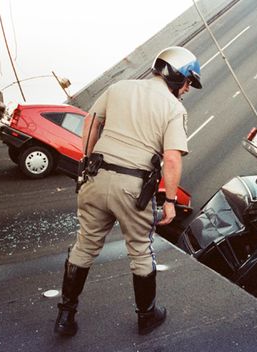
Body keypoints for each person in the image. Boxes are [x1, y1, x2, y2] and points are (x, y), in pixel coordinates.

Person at [54, 46, 202, 337]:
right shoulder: (174, 109)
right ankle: (146, 316)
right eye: (188, 82)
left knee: (84, 247)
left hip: (96, 178)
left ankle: (65, 316)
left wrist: (86, 165)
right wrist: (170, 202)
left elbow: (90, 124)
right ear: (176, 75)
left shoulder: (119, 87)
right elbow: (171, 158)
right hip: (133, 189)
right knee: (140, 251)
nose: (187, 89)